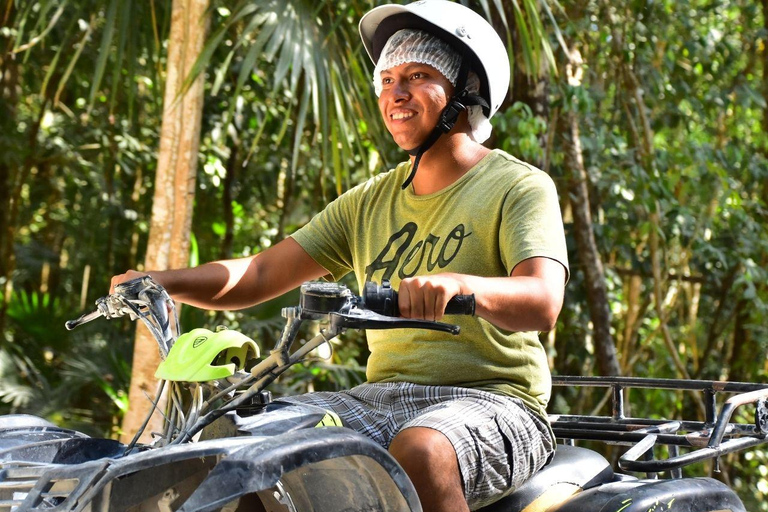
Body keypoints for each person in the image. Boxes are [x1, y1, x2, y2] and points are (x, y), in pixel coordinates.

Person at [111, 1, 568, 510]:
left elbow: (543, 301)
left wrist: (460, 286)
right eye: (387, 79)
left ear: (468, 91)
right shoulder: (369, 201)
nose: (395, 93)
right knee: (253, 445)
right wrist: (161, 281)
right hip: (379, 398)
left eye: (417, 76)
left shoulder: (519, 187)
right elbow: (261, 272)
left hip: (495, 401)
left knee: (421, 450)